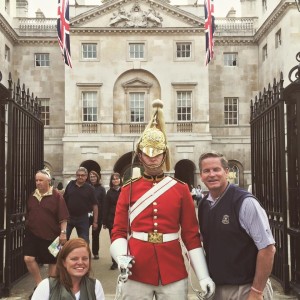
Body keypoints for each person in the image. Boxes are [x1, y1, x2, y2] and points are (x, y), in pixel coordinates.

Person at [110, 99, 215, 300]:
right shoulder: (128, 189)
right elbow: (119, 231)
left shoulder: (180, 189)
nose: (152, 158)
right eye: (147, 153)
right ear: (140, 155)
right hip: (136, 268)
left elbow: (191, 235)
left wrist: (203, 276)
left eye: (157, 153)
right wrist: (121, 256)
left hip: (172, 268)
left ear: (164, 154)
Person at [198, 151, 276, 300]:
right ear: (201, 175)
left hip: (246, 289)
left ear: (227, 172)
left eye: (216, 169)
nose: (211, 174)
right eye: (206, 171)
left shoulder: (245, 202)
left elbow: (267, 249)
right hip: (217, 288)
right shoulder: (203, 205)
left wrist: (257, 291)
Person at [24, 169, 69, 296]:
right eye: (36, 180)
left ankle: (50, 290)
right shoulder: (32, 195)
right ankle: (40, 286)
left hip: (53, 236)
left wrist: (63, 233)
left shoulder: (57, 196)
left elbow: (63, 217)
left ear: (48, 181)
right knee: (28, 258)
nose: (38, 182)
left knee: (53, 264)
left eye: (41, 180)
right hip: (32, 233)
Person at [31, 238, 105, 300]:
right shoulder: (46, 286)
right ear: (64, 262)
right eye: (74, 259)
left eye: (85, 258)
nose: (80, 262)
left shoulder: (95, 286)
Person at [64, 167, 98, 243]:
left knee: (84, 241)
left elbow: (95, 205)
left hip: (83, 218)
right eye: (78, 175)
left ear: (86, 176)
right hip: (69, 217)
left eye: (82, 175)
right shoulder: (70, 185)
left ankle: (85, 254)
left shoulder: (90, 188)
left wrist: (95, 222)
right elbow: (64, 201)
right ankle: (56, 254)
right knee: (62, 238)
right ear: (76, 175)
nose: (80, 177)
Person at [102, 172, 122, 270]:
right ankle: (114, 262)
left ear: (120, 180)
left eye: (117, 178)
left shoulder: (124, 190)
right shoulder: (109, 193)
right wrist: (104, 222)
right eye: (113, 179)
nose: (115, 180)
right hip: (112, 220)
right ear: (111, 181)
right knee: (113, 241)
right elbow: (105, 207)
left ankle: (123, 261)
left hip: (123, 219)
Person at [88, 170, 106, 260]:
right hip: (87, 214)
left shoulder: (101, 189)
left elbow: (104, 203)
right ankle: (86, 252)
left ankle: (95, 252)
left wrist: (102, 218)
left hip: (98, 215)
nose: (92, 178)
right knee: (85, 235)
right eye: (91, 177)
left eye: (94, 176)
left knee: (95, 235)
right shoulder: (87, 187)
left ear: (97, 177)